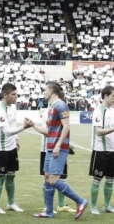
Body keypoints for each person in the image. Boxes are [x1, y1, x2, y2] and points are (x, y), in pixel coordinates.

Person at [31, 81, 88, 219]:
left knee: (53, 180)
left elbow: (66, 126)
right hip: (50, 148)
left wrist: (58, 145)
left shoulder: (61, 105)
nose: (44, 92)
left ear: (51, 91)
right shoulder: (51, 108)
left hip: (58, 148)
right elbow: (49, 131)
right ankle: (49, 212)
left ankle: (80, 201)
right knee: (47, 177)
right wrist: (32, 125)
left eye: (46, 90)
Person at [0, 83, 31, 214]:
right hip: (0, 149)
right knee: (0, 177)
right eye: (13, 95)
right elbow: (7, 132)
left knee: (11, 176)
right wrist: (24, 127)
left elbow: (13, 124)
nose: (16, 97)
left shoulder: (13, 107)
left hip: (11, 147)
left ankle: (11, 203)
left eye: (16, 94)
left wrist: (17, 139)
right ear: (5, 95)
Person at [39, 106, 75, 214]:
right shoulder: (48, 112)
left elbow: (62, 129)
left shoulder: (63, 110)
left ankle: (62, 204)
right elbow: (46, 131)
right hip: (48, 149)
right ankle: (47, 206)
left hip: (61, 149)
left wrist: (65, 143)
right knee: (48, 178)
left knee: (62, 177)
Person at [89, 85, 114, 215]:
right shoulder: (98, 111)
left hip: (112, 151)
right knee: (97, 179)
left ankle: (106, 205)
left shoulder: (113, 110)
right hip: (100, 151)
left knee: (110, 179)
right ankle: (93, 206)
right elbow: (98, 132)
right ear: (105, 96)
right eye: (113, 96)